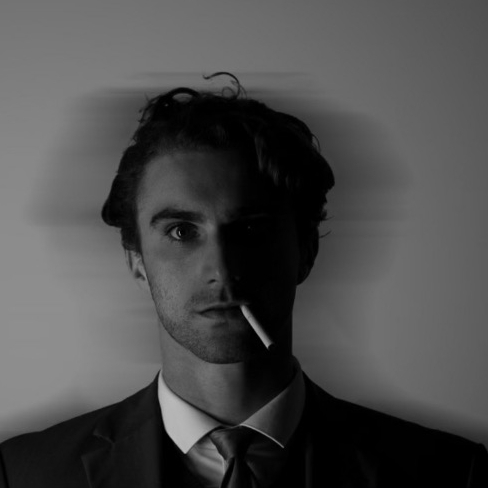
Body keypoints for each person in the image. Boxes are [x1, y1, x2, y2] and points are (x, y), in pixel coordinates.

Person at [1, 73, 487, 488]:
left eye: (251, 230)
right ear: (137, 263)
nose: (221, 268)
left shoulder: (449, 473)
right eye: (181, 231)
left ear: (307, 251)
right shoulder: (24, 475)